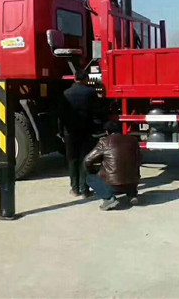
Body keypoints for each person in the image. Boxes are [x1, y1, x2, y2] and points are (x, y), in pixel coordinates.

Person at [84, 121, 142, 210]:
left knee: (90, 178)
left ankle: (109, 198)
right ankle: (132, 195)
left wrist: (93, 170)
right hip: (132, 182)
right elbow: (139, 159)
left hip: (114, 186)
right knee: (128, 169)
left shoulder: (104, 142)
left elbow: (87, 160)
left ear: (107, 132)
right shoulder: (133, 140)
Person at [58, 69, 97, 198]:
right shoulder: (91, 93)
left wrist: (61, 132)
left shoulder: (66, 93)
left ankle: (74, 189)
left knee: (72, 159)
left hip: (69, 132)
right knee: (84, 159)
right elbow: (96, 111)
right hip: (86, 130)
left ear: (74, 78)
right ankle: (85, 190)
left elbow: (61, 116)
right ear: (86, 79)